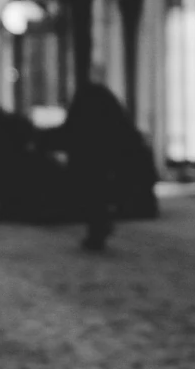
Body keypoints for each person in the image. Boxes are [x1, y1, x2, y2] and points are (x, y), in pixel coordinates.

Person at [61, 82, 149, 252]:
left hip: (90, 162)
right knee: (98, 196)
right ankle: (99, 228)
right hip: (104, 162)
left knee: (92, 196)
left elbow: (69, 134)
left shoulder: (83, 112)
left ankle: (97, 229)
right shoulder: (110, 113)